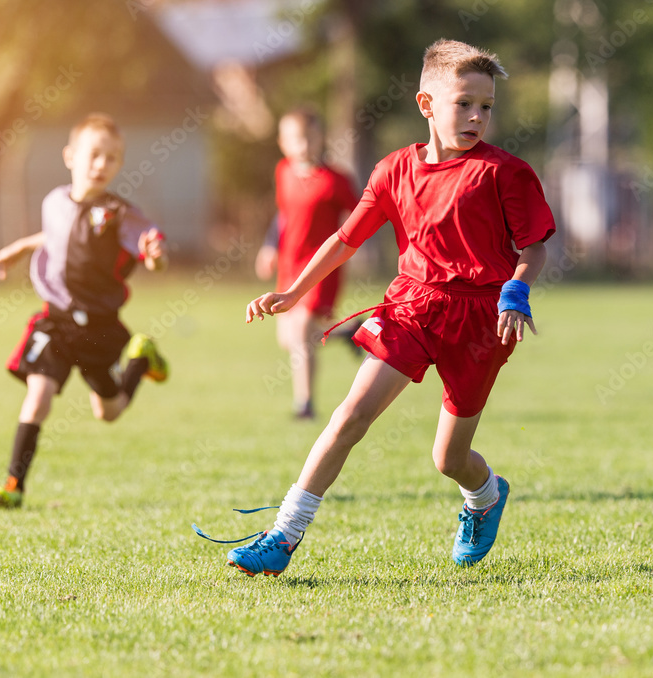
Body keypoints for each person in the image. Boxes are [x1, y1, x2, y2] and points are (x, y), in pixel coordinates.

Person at [201, 39, 555, 576]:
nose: (477, 116)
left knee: (448, 459)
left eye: (486, 106)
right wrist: (293, 292)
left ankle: (484, 497)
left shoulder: (504, 173)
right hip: (412, 305)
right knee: (350, 415)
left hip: (480, 321)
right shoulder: (394, 170)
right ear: (426, 104)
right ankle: (283, 536)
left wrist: (516, 289)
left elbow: (533, 247)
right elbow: (345, 240)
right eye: (464, 103)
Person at [0, 112, 169, 509]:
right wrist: (19, 248)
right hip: (56, 320)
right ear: (70, 156)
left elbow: (150, 250)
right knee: (39, 394)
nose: (102, 164)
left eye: (113, 158)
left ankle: (139, 359)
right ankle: (14, 485)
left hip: (100, 326)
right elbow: (56, 234)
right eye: (95, 154)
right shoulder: (54, 201)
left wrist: (156, 256)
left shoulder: (119, 213)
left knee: (109, 412)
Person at [254, 108, 360, 419]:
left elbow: (360, 216)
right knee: (288, 339)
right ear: (282, 142)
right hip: (289, 264)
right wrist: (269, 246)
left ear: (319, 138)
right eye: (295, 139)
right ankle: (347, 333)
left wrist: (350, 251)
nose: (303, 146)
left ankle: (305, 404)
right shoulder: (283, 172)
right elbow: (283, 215)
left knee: (301, 331)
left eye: (309, 138)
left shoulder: (336, 180)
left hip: (321, 267)